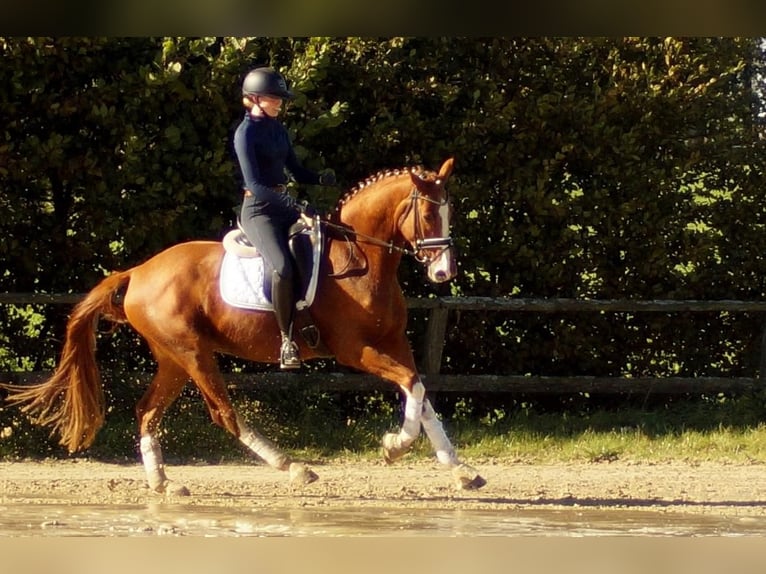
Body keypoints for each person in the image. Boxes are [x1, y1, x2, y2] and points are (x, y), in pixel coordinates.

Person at [233, 66, 335, 370]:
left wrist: (320, 178)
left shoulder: (278, 129)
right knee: (281, 267)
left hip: (283, 205)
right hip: (258, 210)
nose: (279, 102)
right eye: (273, 98)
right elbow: (255, 186)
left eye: (280, 98)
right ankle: (286, 342)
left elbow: (296, 170)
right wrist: (295, 203)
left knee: (319, 253)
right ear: (254, 99)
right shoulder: (245, 134)